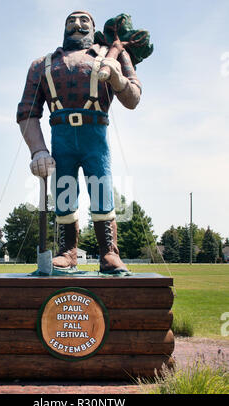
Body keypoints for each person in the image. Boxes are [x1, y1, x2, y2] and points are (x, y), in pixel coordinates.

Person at [17, 11, 142, 273]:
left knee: (102, 188)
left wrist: (118, 78)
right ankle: (67, 251)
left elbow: (133, 97)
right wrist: (37, 150)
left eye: (84, 20)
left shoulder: (114, 56)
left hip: (95, 134)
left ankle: (109, 252)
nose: (77, 24)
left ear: (94, 27)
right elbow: (27, 111)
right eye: (70, 21)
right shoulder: (42, 64)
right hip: (60, 135)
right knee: (64, 190)